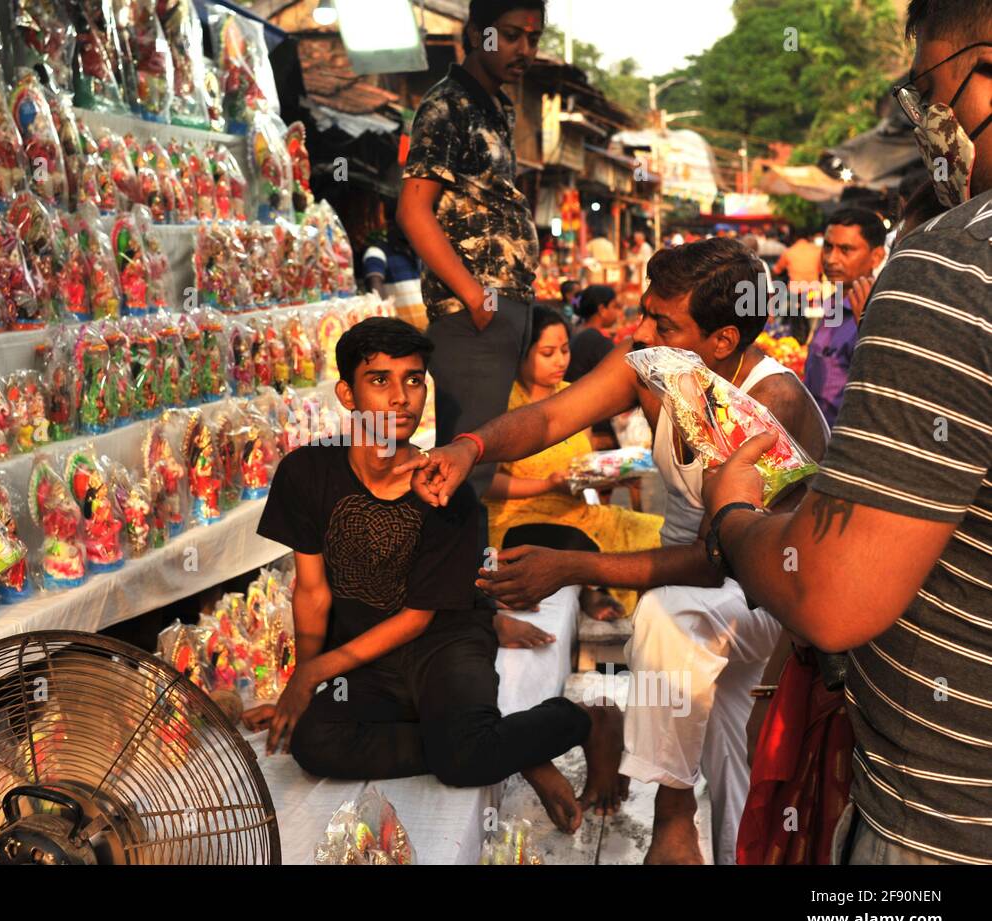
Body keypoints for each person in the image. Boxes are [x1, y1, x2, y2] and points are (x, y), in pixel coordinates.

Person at [399, 239, 831, 865]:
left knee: (664, 620)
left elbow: (722, 558)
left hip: (766, 595)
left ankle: (672, 814)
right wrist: (469, 446)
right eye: (645, 313)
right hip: (690, 587)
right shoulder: (652, 368)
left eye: (664, 323)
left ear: (723, 340)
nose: (641, 331)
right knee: (730, 755)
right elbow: (550, 419)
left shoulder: (771, 404)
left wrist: (573, 568)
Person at [700, 0, 992, 865]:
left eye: (931, 97)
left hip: (940, 831)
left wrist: (733, 519)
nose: (933, 133)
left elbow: (834, 595)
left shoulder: (953, 263)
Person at [252, 317, 626, 833]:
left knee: (461, 762)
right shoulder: (306, 473)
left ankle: (586, 720)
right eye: (379, 379)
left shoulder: (446, 488)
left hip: (444, 639)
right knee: (314, 741)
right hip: (367, 651)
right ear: (347, 393)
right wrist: (301, 683)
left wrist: (314, 674)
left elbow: (417, 619)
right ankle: (506, 746)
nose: (401, 396)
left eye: (413, 379)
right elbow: (312, 594)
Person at [397, 0, 544, 498]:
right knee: (460, 470)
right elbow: (413, 211)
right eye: (510, 35)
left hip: (502, 305)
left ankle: (466, 572)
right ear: (476, 33)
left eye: (533, 38)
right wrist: (475, 296)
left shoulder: (497, 105)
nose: (524, 49)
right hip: (470, 311)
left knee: (477, 468)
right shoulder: (447, 105)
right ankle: (449, 575)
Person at [484, 305, 662, 621]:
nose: (561, 361)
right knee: (573, 544)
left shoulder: (576, 397)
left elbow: (583, 464)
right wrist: (546, 484)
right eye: (548, 352)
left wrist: (609, 475)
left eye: (565, 350)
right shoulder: (502, 404)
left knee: (657, 533)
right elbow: (486, 482)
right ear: (521, 355)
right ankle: (590, 592)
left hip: (576, 510)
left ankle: (653, 618)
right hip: (516, 520)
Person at [803, 208, 887, 428]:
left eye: (845, 249)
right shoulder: (833, 302)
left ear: (876, 257)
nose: (831, 259)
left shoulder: (880, 311)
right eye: (828, 247)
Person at [361, 206, 427, 330]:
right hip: (402, 335)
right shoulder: (377, 252)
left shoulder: (418, 251)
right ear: (390, 225)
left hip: (427, 330)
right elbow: (375, 287)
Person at [565, 284, 619, 384]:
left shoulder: (578, 330)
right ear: (602, 310)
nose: (617, 312)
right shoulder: (600, 342)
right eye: (615, 306)